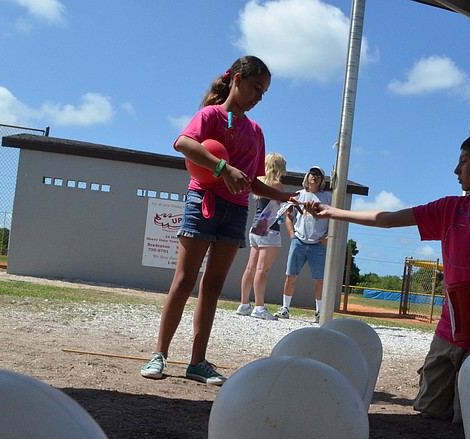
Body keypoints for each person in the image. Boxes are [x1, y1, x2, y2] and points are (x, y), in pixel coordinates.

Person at [302, 132, 470, 422]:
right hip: (447, 333)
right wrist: (333, 212)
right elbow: (388, 219)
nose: (456, 170)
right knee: (430, 412)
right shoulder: (449, 208)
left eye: (464, 161)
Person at [140, 55, 290, 385]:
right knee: (183, 280)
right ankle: (159, 355)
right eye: (255, 87)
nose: (258, 97)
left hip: (236, 211)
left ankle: (197, 362)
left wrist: (285, 196)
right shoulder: (210, 115)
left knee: (212, 288)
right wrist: (222, 168)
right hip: (202, 202)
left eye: (263, 92)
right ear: (236, 79)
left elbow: (252, 181)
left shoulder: (256, 131)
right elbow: (183, 143)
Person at [275, 166, 332, 323]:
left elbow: (334, 219)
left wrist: (328, 237)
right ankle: (285, 308)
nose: (314, 177)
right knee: (291, 275)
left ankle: (320, 312)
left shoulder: (328, 198)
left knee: (320, 279)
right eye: (312, 174)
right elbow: (288, 215)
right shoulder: (299, 195)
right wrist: (292, 235)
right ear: (306, 177)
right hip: (299, 242)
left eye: (318, 175)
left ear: (322, 180)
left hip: (318, 244)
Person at [236, 153, 288, 321]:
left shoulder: (259, 182)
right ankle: (259, 307)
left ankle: (244, 304)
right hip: (269, 229)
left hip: (255, 228)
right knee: (262, 269)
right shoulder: (276, 184)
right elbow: (281, 204)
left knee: (250, 267)